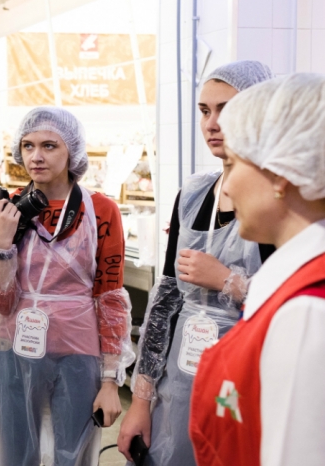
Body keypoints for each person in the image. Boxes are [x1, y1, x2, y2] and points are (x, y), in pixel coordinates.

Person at [118, 60, 274, 465]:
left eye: (227, 109)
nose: (212, 123)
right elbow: (165, 302)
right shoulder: (193, 195)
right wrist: (141, 400)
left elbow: (295, 305)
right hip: (180, 382)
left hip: (245, 386)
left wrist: (227, 281)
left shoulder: (280, 200)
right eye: (205, 111)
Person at [0, 107, 135, 466]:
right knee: (15, 456)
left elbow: (110, 298)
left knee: (71, 457)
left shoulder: (101, 210)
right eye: (28, 146)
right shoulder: (7, 209)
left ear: (71, 151)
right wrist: (2, 245)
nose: (36, 157)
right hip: (15, 351)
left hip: (78, 354)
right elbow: (1, 303)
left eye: (49, 146)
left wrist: (110, 380)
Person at [189, 72, 325, 465]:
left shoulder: (305, 311)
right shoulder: (292, 284)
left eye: (233, 165)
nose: (228, 188)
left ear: (280, 174)